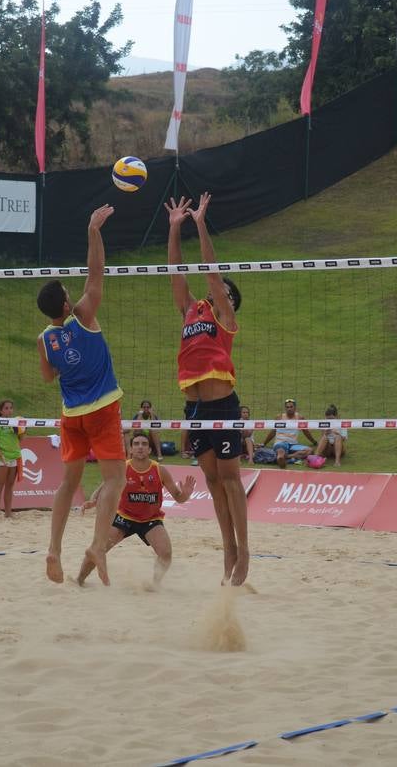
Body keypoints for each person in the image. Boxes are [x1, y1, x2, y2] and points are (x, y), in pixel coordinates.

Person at [36, 204, 126, 586]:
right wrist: (93, 230)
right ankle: (96, 545)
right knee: (114, 481)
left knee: (67, 485)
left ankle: (53, 548)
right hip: (103, 408)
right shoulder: (85, 315)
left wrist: (67, 361)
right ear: (67, 304)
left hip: (71, 415)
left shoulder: (44, 339)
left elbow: (48, 376)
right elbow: (96, 273)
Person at [165, 192, 249, 586]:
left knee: (231, 481)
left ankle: (243, 551)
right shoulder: (189, 311)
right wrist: (174, 227)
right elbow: (175, 272)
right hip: (195, 412)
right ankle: (227, 547)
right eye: (219, 295)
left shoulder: (225, 318)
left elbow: (212, 273)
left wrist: (201, 223)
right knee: (214, 484)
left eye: (226, 295)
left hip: (222, 408)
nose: (221, 296)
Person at [77, 431, 196, 589]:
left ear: (149, 450)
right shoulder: (123, 468)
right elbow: (104, 487)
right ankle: (79, 580)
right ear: (130, 449)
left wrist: (186, 495)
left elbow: (178, 497)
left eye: (144, 444)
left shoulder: (159, 470)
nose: (140, 447)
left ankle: (155, 584)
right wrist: (93, 501)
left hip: (150, 519)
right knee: (99, 548)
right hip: (124, 517)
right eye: (137, 444)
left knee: (166, 553)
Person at [0, 398, 23, 519]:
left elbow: (19, 440)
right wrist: (1, 455)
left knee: (9, 486)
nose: (9, 410)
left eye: (11, 408)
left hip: (14, 456)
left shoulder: (14, 423)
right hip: (3, 457)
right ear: (1, 410)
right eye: (6, 408)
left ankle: (8, 513)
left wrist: (22, 432)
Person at [262, 398, 317, 469]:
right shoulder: (279, 417)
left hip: (293, 444)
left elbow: (306, 432)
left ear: (295, 408)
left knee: (310, 451)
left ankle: (287, 457)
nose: (289, 409)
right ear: (285, 408)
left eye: (291, 407)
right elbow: (273, 432)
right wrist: (264, 443)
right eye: (287, 407)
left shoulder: (300, 418)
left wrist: (314, 442)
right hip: (281, 442)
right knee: (281, 452)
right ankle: (283, 459)